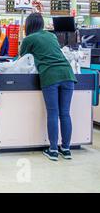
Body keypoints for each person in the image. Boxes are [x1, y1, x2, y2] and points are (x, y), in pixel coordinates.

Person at [20, 13, 77, 161]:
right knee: (65, 113)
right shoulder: (51, 36)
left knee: (53, 113)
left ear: (28, 25)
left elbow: (21, 57)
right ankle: (66, 149)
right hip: (68, 74)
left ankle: (52, 150)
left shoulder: (29, 39)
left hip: (50, 75)